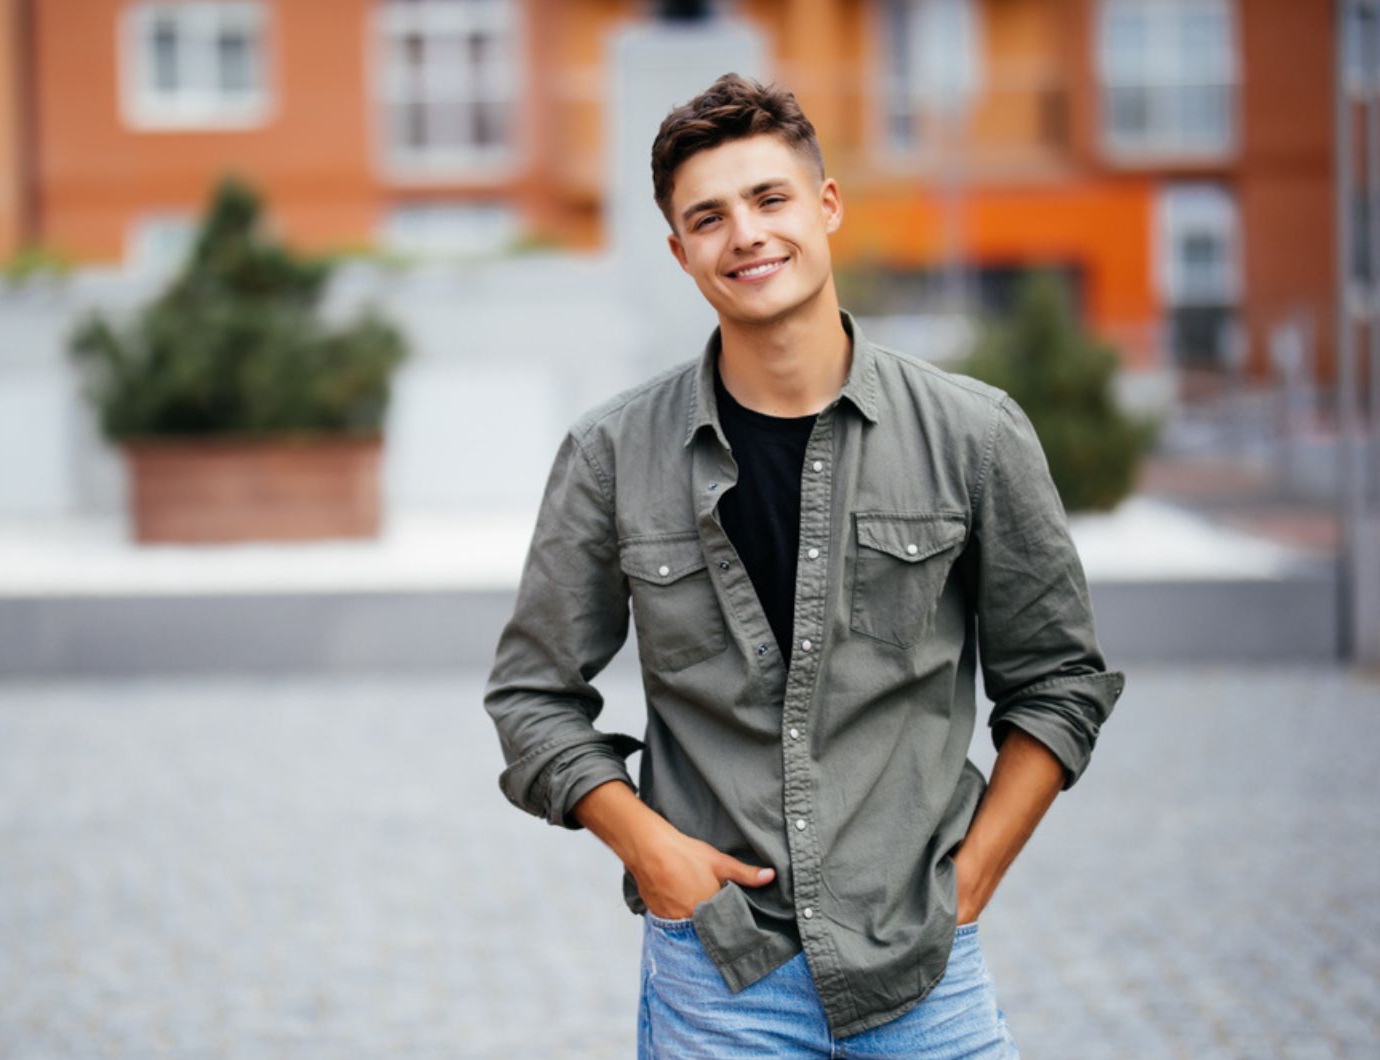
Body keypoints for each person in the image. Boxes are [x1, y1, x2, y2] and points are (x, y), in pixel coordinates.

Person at [482, 72, 1125, 1058]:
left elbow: (1059, 680)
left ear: (824, 207)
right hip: (720, 970)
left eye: (768, 198)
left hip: (922, 962)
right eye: (708, 217)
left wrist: (971, 879)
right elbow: (531, 692)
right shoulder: (612, 452)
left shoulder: (972, 433)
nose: (744, 234)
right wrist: (649, 849)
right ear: (679, 251)